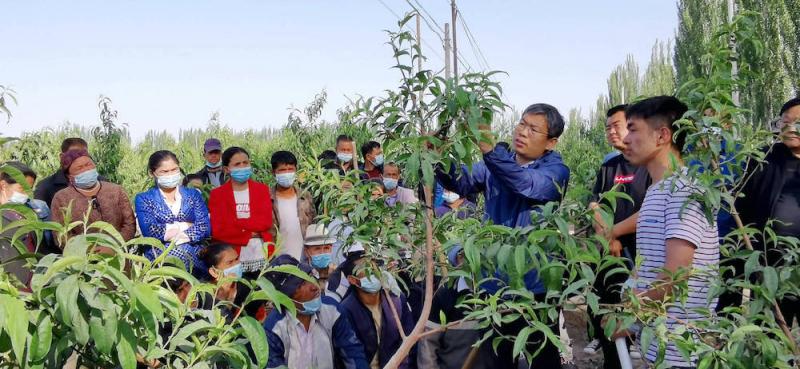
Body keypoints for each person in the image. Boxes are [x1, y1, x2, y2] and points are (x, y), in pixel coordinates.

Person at [436, 103, 570, 369]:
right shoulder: (495, 164)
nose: (522, 131)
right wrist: (438, 155)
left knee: (541, 357)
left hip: (536, 287)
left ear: (551, 142)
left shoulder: (556, 172)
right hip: (495, 284)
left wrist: (489, 151)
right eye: (522, 123)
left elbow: (525, 185)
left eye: (533, 129)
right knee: (497, 357)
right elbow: (460, 183)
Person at [605, 96, 718, 368]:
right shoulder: (657, 191)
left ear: (662, 135)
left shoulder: (683, 192)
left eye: (633, 129)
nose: (626, 138)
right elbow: (648, 267)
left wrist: (630, 319)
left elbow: (674, 277)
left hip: (684, 346)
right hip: (661, 340)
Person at [584, 105, 650, 364]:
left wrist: (614, 233)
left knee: (635, 309)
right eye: (607, 127)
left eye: (617, 125)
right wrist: (607, 236)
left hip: (640, 253)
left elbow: (649, 211)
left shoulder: (648, 165)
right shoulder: (609, 166)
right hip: (609, 252)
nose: (611, 132)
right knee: (607, 309)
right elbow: (594, 203)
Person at [734, 96, 800, 326]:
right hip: (770, 267)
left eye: (798, 122)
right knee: (770, 332)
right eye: (786, 122)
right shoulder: (762, 158)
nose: (791, 128)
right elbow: (739, 205)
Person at [263, 255, 369, 369]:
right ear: (286, 297)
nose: (314, 286)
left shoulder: (332, 310)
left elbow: (352, 352)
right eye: (301, 284)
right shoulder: (274, 328)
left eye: (310, 276)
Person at [134, 150, 211, 277]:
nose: (171, 174)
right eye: (164, 172)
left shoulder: (193, 195)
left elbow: (205, 227)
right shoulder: (144, 198)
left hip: (196, 263)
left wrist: (170, 232)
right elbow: (151, 231)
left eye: (174, 170)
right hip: (161, 265)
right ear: (152, 173)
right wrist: (186, 225)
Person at [339, 253, 415, 369]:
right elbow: (352, 353)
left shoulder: (396, 300)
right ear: (353, 280)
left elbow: (409, 340)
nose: (374, 272)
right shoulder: (346, 311)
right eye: (367, 270)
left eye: (374, 267)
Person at [208, 147, 274, 275]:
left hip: (261, 254)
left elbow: (265, 222)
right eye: (237, 164)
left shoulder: (262, 190)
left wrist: (235, 223)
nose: (243, 166)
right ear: (227, 169)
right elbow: (218, 230)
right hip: (232, 257)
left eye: (245, 163)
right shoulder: (218, 194)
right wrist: (251, 232)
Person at [51, 149, 136, 246]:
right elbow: (60, 234)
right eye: (79, 168)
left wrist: (114, 247)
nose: (86, 170)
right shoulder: (61, 198)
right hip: (83, 258)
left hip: (119, 254)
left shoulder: (116, 190)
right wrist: (89, 251)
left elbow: (130, 224)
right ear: (69, 176)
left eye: (88, 164)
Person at [269, 150, 316, 260]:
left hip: (304, 258)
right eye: (282, 170)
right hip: (279, 259)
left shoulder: (305, 196)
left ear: (296, 170)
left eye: (290, 169)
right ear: (273, 172)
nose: (287, 173)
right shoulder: (267, 199)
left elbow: (313, 223)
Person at [1, 161, 40, 289]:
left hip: (27, 283)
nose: (26, 195)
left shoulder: (27, 213)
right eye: (22, 189)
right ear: (3, 186)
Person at [35, 137, 96, 206]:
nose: (80, 157)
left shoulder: (101, 182)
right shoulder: (45, 187)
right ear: (62, 157)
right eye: (74, 154)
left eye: (84, 154)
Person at [302, 223, 339, 297]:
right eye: (317, 249)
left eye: (326, 248)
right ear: (306, 252)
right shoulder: (301, 276)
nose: (322, 253)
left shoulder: (338, 273)